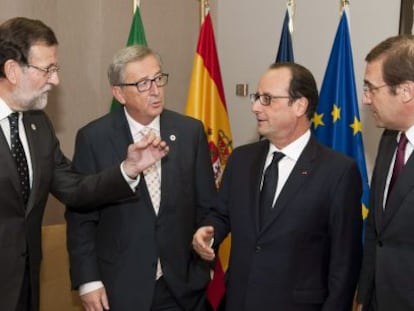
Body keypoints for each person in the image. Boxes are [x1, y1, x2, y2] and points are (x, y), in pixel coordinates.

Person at [0, 17, 169, 311]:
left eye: (56, 69)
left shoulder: (38, 126)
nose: (55, 80)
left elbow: (75, 189)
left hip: (24, 288)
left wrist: (127, 170)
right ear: (13, 70)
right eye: (48, 69)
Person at [193, 62, 363, 311]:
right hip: (238, 301)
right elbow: (221, 214)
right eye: (256, 97)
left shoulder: (338, 171)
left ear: (299, 105)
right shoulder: (242, 159)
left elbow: (344, 263)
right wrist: (208, 233)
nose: (255, 107)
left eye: (267, 99)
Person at [65, 44, 216, 311]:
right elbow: (81, 218)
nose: (156, 90)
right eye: (143, 84)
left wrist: (207, 237)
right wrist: (88, 280)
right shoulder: (94, 138)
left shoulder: (190, 132)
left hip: (183, 287)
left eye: (158, 79)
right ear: (119, 93)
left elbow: (207, 204)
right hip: (121, 287)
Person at [356, 35, 414, 311]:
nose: (365, 100)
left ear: (405, 91)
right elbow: (377, 232)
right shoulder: (391, 138)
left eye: (371, 88)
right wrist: (363, 296)